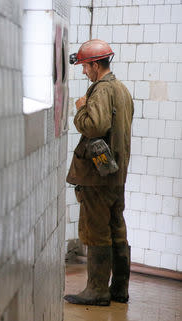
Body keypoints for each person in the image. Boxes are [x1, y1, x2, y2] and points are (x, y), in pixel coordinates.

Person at [64, 39, 134, 306]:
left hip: (98, 177)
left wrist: (82, 107)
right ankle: (118, 289)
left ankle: (96, 290)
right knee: (117, 229)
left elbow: (95, 126)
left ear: (95, 65)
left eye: (85, 67)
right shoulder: (122, 90)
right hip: (116, 175)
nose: (84, 72)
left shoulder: (101, 91)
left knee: (96, 231)